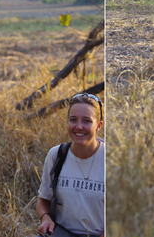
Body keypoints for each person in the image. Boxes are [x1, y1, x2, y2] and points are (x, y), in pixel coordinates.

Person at [36, 93, 105, 237]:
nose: (78, 127)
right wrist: (45, 218)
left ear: (99, 125)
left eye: (87, 121)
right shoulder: (57, 155)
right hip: (61, 233)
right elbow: (43, 200)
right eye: (73, 120)